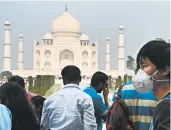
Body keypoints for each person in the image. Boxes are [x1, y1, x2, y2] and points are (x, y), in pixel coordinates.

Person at [41, 65, 97, 130]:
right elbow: (90, 126)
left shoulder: (49, 100)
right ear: (80, 78)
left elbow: (44, 126)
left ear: (63, 78)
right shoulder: (85, 98)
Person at [132, 39, 170, 130]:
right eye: (140, 67)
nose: (140, 72)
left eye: (144, 66)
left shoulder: (166, 106)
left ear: (165, 70)